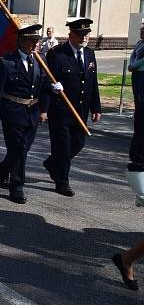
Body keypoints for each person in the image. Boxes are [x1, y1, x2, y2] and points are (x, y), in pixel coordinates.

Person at [0, 24, 50, 204]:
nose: (36, 45)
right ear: (22, 41)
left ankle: (1, 170)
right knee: (18, 149)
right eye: (32, 41)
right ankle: (17, 187)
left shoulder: (39, 61)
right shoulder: (7, 62)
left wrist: (52, 91)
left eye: (37, 41)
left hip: (32, 112)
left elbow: (43, 86)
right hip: (13, 112)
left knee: (23, 149)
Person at [42, 18, 101, 197]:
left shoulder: (90, 54)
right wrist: (44, 107)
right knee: (63, 147)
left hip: (80, 110)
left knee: (78, 143)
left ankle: (53, 164)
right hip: (61, 110)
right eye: (80, 34)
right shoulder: (57, 54)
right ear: (71, 35)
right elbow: (47, 82)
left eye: (86, 34)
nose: (84, 37)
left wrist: (96, 107)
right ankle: (62, 181)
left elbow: (93, 83)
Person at [127, 22, 144, 171]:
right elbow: (133, 55)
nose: (141, 32)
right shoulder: (140, 43)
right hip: (137, 74)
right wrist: (132, 64)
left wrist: (134, 65)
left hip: (142, 73)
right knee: (138, 103)